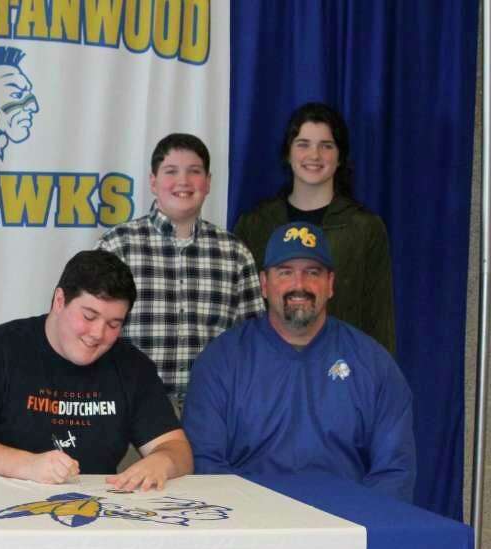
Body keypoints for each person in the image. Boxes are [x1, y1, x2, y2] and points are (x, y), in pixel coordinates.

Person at [183, 222, 416, 502]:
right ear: (264, 284)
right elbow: (205, 463)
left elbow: (395, 472)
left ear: (330, 284)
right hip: (251, 526)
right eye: (285, 272)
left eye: (312, 272)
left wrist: (355, 526)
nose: (299, 285)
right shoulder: (221, 360)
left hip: (344, 527)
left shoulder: (373, 363)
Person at [0, 250, 193, 491]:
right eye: (89, 317)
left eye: (114, 324)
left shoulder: (132, 366)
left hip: (94, 514)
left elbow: (177, 449)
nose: (98, 334)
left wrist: (163, 462)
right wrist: (27, 466)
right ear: (59, 301)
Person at [97, 133, 265, 410]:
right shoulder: (118, 246)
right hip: (130, 410)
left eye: (194, 172)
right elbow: (96, 334)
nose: (183, 182)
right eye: (171, 171)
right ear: (153, 182)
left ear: (208, 182)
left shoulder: (235, 253)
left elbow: (252, 342)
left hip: (213, 411)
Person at [234, 102, 396, 353]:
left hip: (341, 371)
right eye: (303, 144)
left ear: (340, 156)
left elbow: (379, 317)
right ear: (288, 153)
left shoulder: (365, 228)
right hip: (267, 374)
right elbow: (240, 315)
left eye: (326, 146)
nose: (315, 155)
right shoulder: (255, 224)